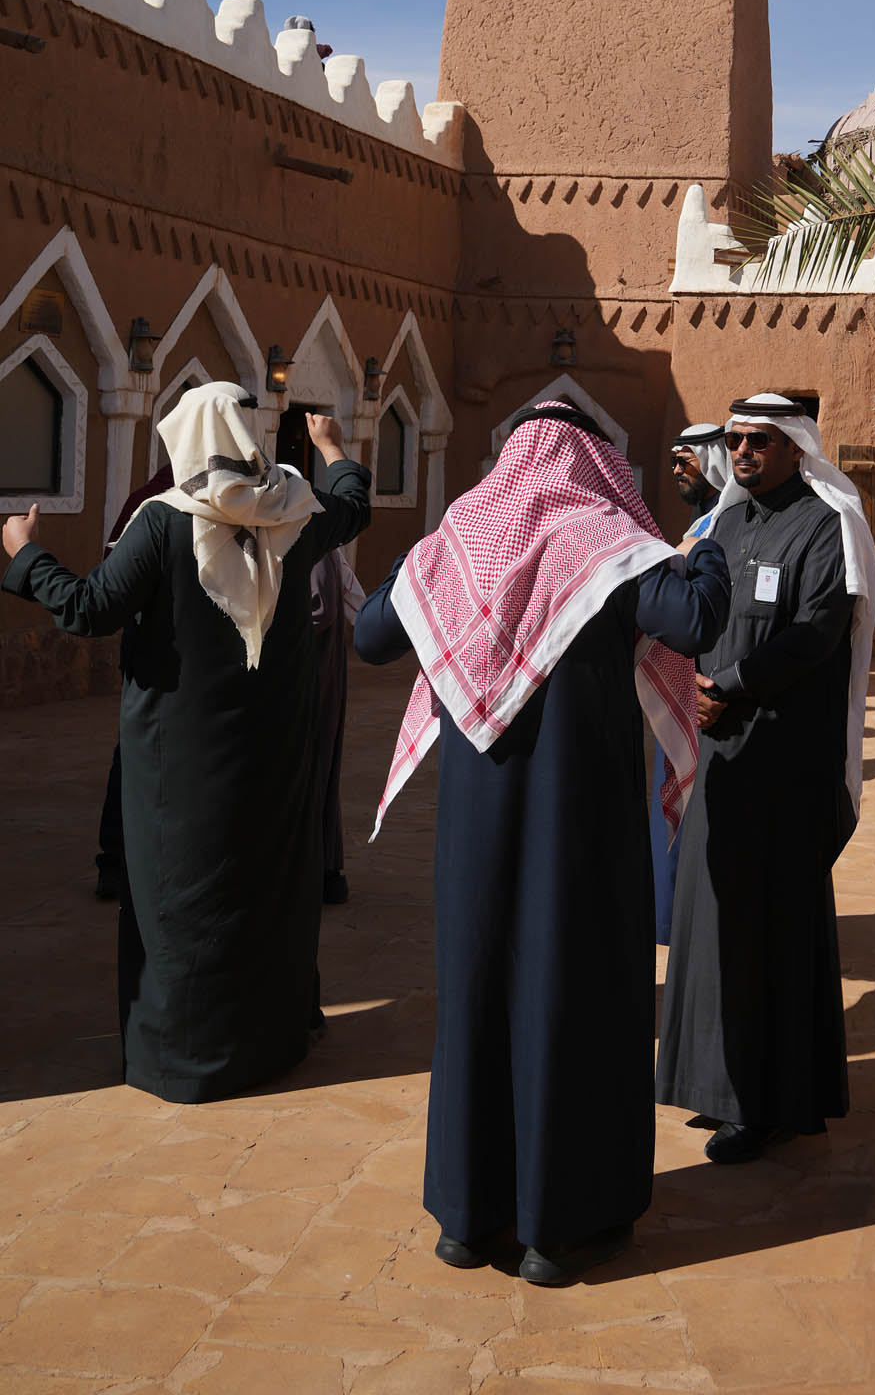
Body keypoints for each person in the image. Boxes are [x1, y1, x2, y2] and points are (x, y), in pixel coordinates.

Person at [354, 400, 729, 1286]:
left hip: (475, 831)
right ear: (590, 462)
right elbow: (698, 617)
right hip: (578, 829)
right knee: (573, 994)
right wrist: (708, 530)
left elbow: (373, 634)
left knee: (478, 991)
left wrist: (434, 566)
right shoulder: (599, 540)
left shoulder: (455, 540)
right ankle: (558, 1230)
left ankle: (466, 1218)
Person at [1, 383, 371, 1103]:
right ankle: (275, 1032)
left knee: (185, 891)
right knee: (270, 879)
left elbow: (87, 609)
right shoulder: (296, 505)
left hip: (184, 754)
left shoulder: (163, 524)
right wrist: (332, 451)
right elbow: (352, 501)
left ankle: (190, 1057)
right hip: (278, 745)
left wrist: (23, 551)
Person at [655, 391, 875, 1164]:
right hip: (719, 754)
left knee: (769, 927)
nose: (743, 452)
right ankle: (714, 1085)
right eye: (735, 441)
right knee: (710, 917)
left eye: (758, 441)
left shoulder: (825, 526)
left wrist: (729, 687)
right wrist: (691, 688)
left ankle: (772, 1100)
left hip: (784, 759)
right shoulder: (719, 522)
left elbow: (818, 633)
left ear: (794, 447)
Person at [653, 421, 730, 942]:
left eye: (688, 458)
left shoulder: (725, 526)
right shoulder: (701, 526)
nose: (678, 469)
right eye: (673, 460)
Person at [93, 462, 173, 901]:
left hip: (190, 659)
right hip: (151, 650)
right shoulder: (154, 502)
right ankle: (116, 860)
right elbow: (109, 583)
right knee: (138, 750)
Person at [311, 547, 365, 905]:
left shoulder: (307, 538)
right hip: (318, 677)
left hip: (308, 680)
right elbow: (356, 603)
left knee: (312, 774)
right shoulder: (324, 543)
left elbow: (321, 611)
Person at [670, 423, 729, 536]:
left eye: (683, 462)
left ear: (711, 462)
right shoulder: (700, 504)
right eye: (674, 462)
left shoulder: (730, 508)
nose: (676, 470)